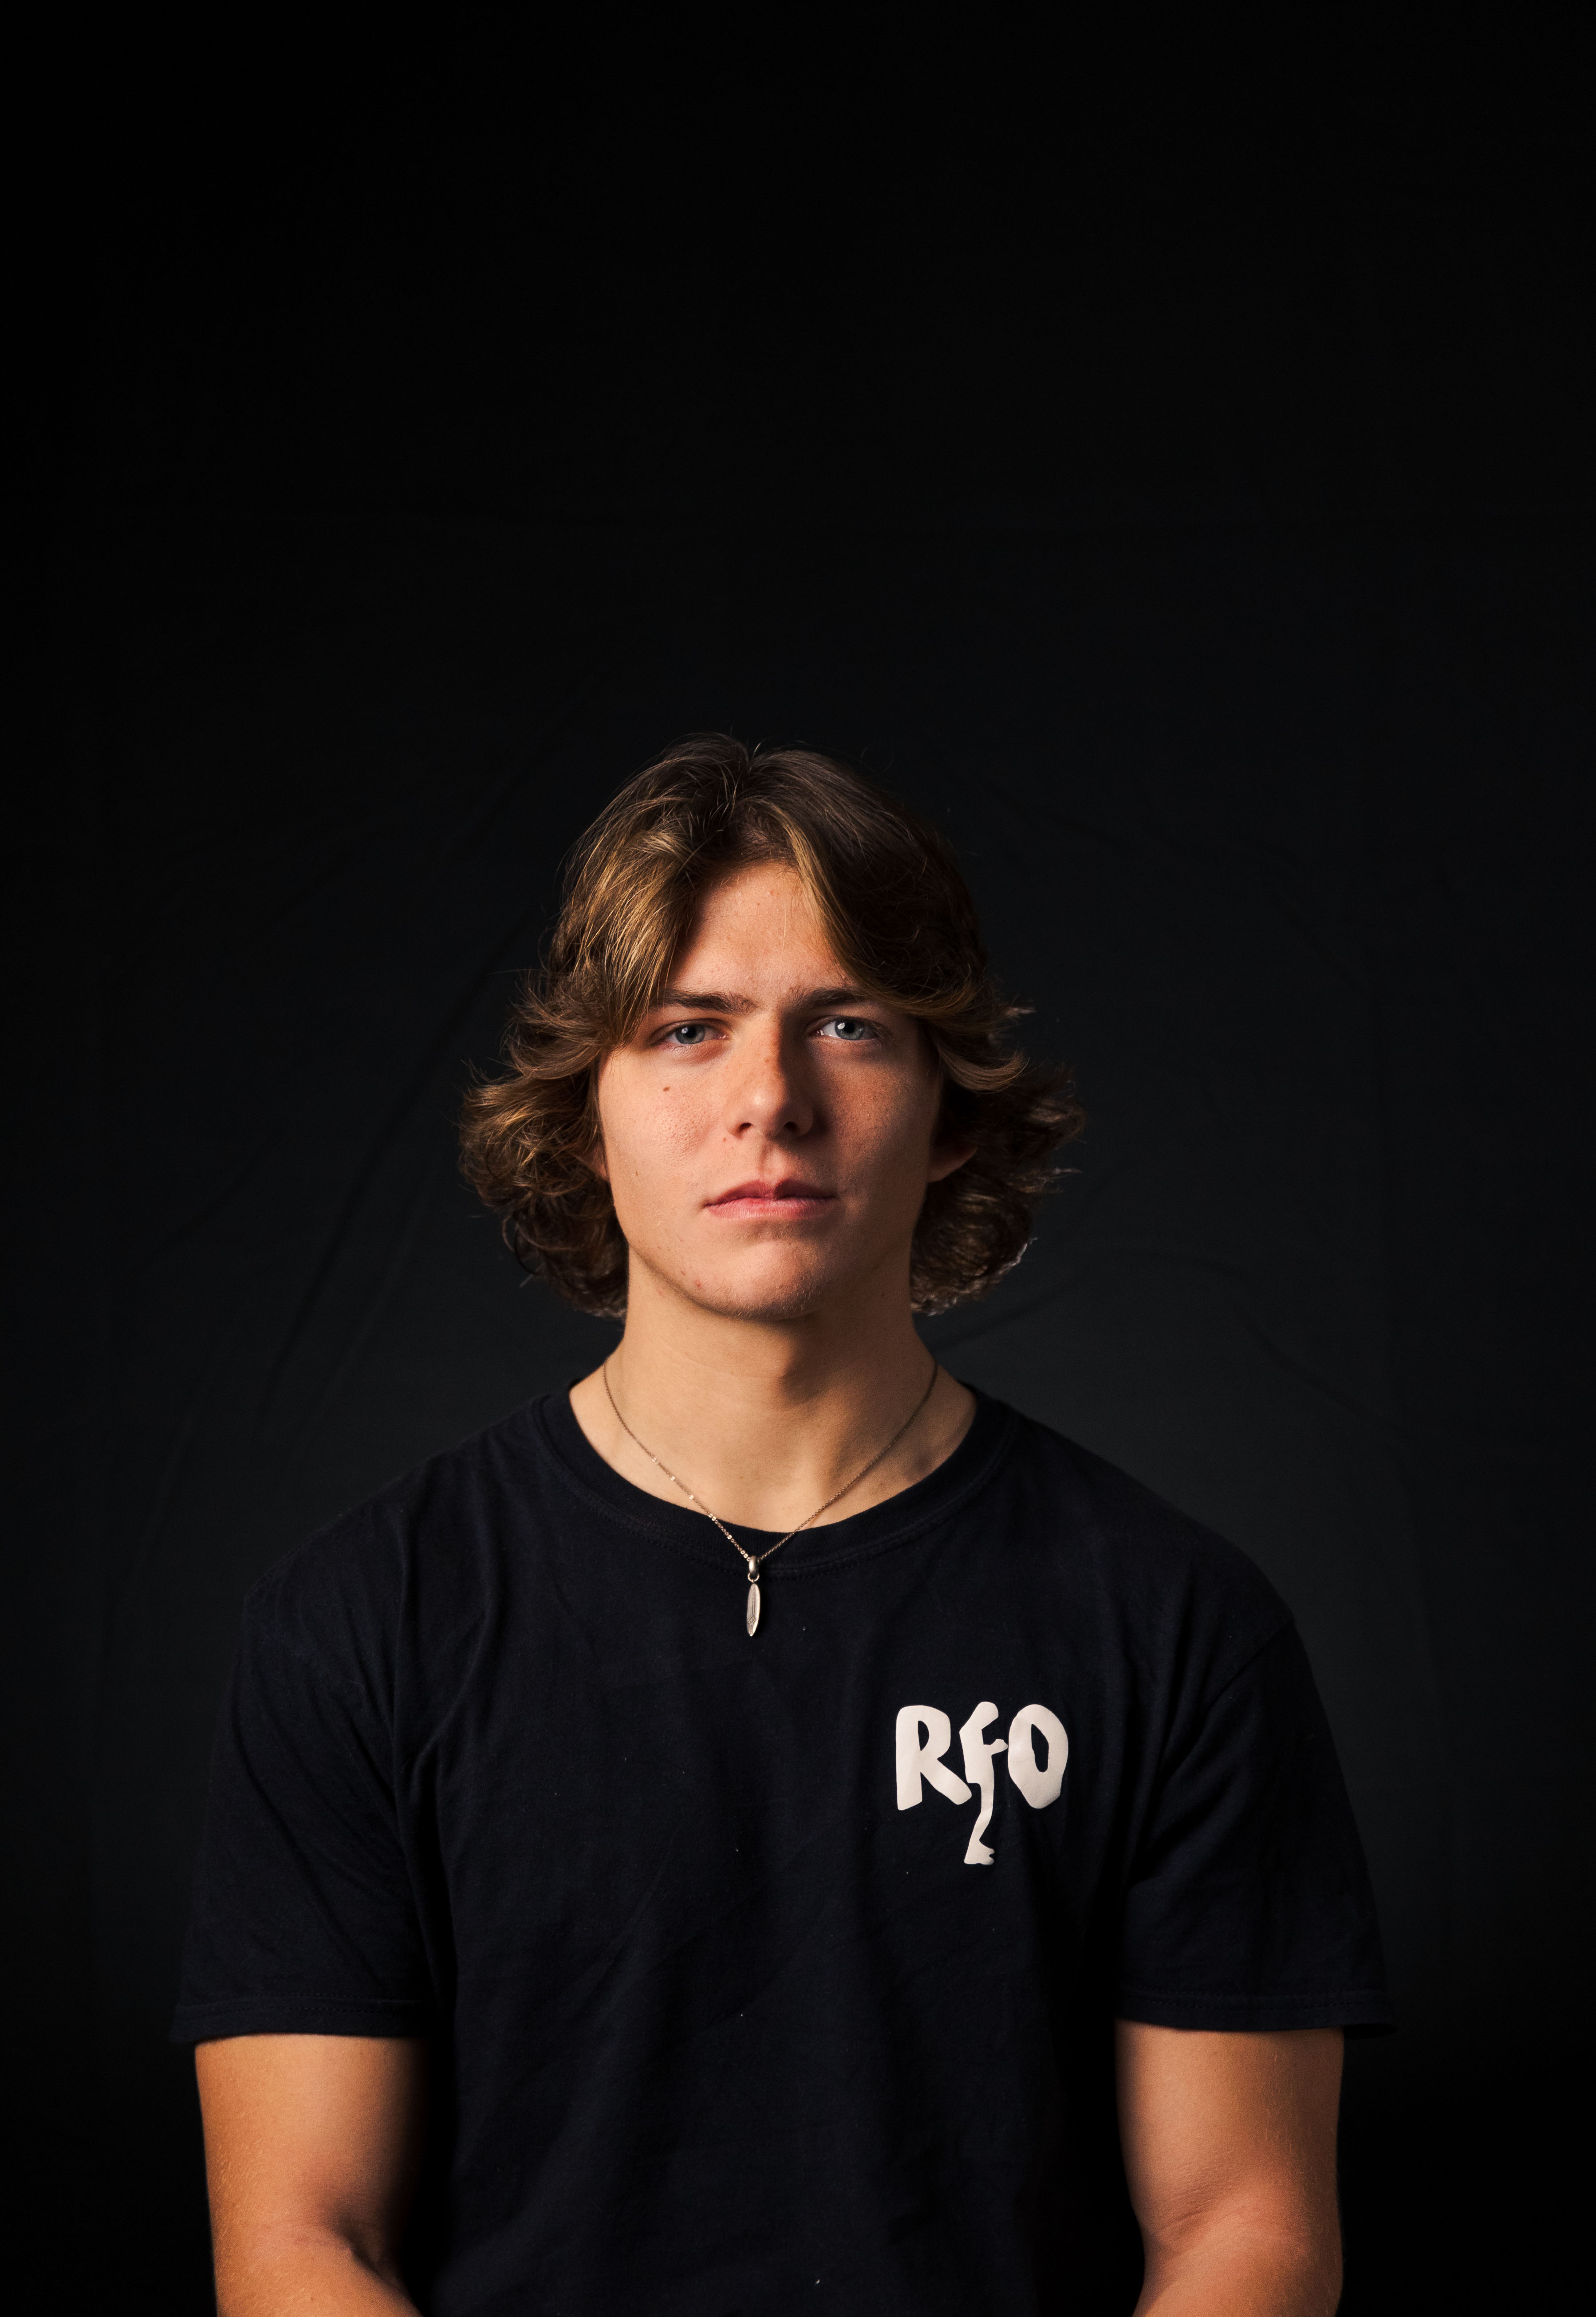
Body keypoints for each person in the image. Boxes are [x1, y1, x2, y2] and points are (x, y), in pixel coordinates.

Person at [175, 736, 1389, 2315]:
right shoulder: (356, 1623)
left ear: (951, 1105)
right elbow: (298, 2244)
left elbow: (1248, 2232)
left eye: (849, 1025)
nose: (771, 1100)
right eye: (688, 1029)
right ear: (583, 1111)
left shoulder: (1176, 1626)